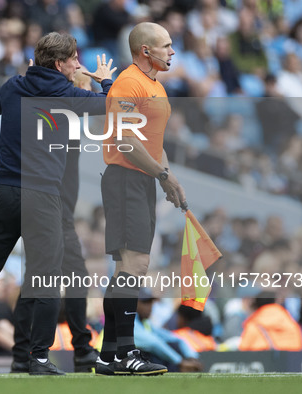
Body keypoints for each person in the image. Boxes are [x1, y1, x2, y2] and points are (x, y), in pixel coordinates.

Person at [0, 32, 115, 376]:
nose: (78, 64)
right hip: (42, 198)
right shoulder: (67, 93)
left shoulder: (16, 85)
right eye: (74, 59)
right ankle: (38, 358)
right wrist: (105, 81)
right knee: (45, 280)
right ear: (60, 64)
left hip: (4, 192)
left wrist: (27, 76)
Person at [96, 22, 186, 376]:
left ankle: (108, 355)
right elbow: (125, 141)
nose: (172, 51)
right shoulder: (128, 83)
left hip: (141, 180)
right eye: (165, 45)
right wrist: (162, 174)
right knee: (134, 266)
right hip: (125, 180)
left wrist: (167, 177)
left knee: (125, 269)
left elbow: (152, 140)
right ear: (145, 51)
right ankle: (126, 352)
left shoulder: (155, 87)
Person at [10, 67, 112, 373]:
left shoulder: (64, 116)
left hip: (53, 210)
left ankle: (21, 353)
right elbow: (102, 101)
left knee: (36, 279)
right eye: (76, 77)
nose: (82, 82)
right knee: (73, 276)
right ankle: (80, 349)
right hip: (52, 212)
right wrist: (101, 81)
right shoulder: (57, 113)